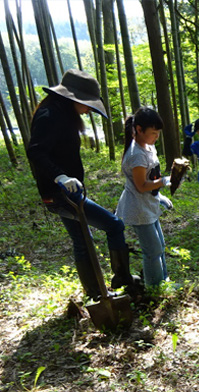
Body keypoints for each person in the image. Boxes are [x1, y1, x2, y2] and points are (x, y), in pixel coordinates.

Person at [26, 69, 142, 300]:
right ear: (72, 97)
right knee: (115, 225)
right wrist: (60, 177)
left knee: (81, 240)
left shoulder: (62, 114)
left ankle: (95, 293)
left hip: (63, 193)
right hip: (61, 194)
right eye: (86, 104)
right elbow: (36, 152)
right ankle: (122, 280)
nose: (88, 109)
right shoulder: (50, 115)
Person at [115, 107, 172, 289]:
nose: (156, 137)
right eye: (153, 133)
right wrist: (163, 182)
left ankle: (163, 281)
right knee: (152, 250)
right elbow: (141, 186)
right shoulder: (136, 155)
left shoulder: (148, 146)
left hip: (149, 203)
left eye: (158, 133)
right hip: (138, 208)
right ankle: (154, 288)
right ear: (139, 130)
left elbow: (150, 177)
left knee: (160, 246)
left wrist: (159, 193)